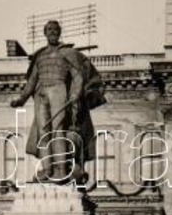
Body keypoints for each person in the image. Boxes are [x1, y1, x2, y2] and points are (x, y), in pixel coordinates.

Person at [11, 20, 105, 182]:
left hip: (58, 89)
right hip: (41, 94)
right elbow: (32, 80)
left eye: (55, 29)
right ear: (45, 33)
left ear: (59, 32)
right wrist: (22, 99)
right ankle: (47, 168)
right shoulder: (40, 56)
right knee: (43, 132)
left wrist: (75, 93)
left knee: (58, 129)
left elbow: (77, 76)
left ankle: (61, 169)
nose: (52, 32)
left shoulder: (67, 52)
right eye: (49, 29)